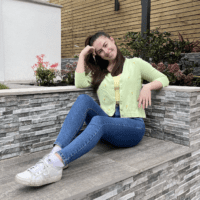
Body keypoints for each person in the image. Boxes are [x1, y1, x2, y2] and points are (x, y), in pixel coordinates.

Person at [15, 31, 169, 187]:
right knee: (83, 99)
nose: (106, 51)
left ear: (112, 40)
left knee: (98, 121)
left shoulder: (135, 63)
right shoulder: (99, 72)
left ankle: (56, 163)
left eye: (106, 45)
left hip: (132, 126)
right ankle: (56, 152)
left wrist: (147, 87)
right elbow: (80, 82)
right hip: (109, 124)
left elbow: (164, 78)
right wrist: (82, 55)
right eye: (100, 51)